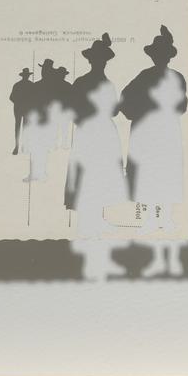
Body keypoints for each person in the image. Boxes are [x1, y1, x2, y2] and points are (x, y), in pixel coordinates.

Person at [119, 25, 188, 277]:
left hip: (166, 131)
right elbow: (125, 99)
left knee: (166, 171)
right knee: (148, 173)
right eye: (157, 55)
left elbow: (183, 105)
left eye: (163, 55)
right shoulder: (144, 76)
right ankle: (149, 218)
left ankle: (165, 216)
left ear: (168, 56)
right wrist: (143, 109)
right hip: (148, 133)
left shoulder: (176, 78)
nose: (160, 58)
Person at [65, 33, 128, 240]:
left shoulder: (105, 83)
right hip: (91, 131)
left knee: (101, 172)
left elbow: (112, 111)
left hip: (102, 132)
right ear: (92, 61)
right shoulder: (85, 82)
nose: (101, 63)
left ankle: (97, 219)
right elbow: (72, 108)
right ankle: (86, 221)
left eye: (103, 60)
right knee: (88, 171)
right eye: (98, 59)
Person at [9, 68, 33, 155]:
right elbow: (11, 97)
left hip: (19, 108)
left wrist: (18, 102)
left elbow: (11, 97)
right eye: (27, 75)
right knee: (24, 127)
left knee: (18, 127)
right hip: (25, 109)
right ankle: (20, 146)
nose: (27, 77)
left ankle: (18, 146)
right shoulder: (31, 85)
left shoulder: (17, 85)